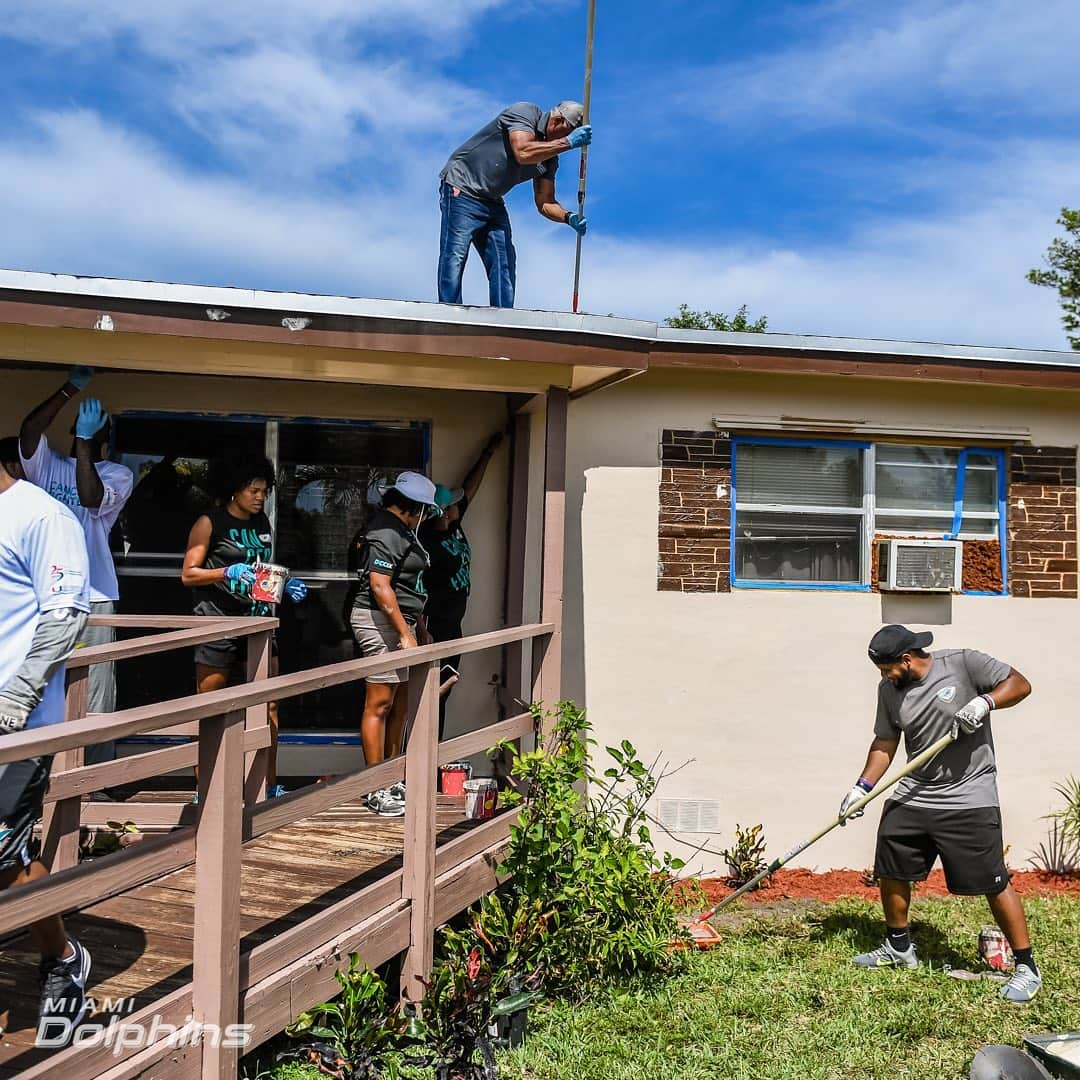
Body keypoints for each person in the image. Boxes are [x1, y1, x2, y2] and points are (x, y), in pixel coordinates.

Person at [841, 624, 1040, 1003]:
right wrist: (861, 788)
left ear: (905, 659)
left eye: (886, 669)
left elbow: (1020, 684)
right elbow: (886, 740)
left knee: (992, 880)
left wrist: (986, 702)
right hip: (915, 792)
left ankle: (1027, 966)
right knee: (891, 865)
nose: (883, 678)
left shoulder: (964, 664)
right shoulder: (889, 691)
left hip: (969, 794)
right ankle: (899, 947)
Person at [0, 437, 94, 1044]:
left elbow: (66, 615)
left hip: (20, 725)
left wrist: (15, 699)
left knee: (0, 854)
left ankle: (62, 957)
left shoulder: (41, 515)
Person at [19, 366, 133, 770]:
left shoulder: (118, 474)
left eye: (96, 431)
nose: (87, 433)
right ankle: (40, 781)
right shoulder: (47, 467)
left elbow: (89, 497)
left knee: (96, 696)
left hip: (95, 600)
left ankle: (92, 782)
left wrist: (85, 443)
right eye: (84, 429)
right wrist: (69, 389)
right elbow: (30, 431)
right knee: (42, 691)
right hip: (42, 603)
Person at [181, 457, 307, 799]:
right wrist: (225, 572)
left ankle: (266, 784)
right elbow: (188, 574)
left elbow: (260, 570)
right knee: (210, 708)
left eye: (264, 491)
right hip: (217, 624)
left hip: (259, 623)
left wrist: (285, 583)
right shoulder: (210, 522)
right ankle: (205, 787)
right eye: (254, 490)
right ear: (234, 489)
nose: (259, 498)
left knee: (268, 706)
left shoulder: (262, 521)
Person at [438, 101, 592, 308]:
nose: (569, 138)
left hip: (492, 200)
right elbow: (522, 152)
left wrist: (568, 216)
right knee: (455, 255)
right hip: (462, 186)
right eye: (570, 130)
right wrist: (568, 142)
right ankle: (449, 311)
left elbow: (545, 202)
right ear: (557, 121)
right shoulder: (525, 113)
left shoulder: (549, 158)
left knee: (503, 261)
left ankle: (502, 317)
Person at [348, 471, 439, 816]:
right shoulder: (385, 530)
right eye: (425, 510)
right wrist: (404, 633)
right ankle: (375, 787)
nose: (426, 516)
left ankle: (392, 774)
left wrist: (417, 628)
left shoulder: (399, 529)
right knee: (380, 702)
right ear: (414, 508)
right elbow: (381, 586)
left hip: (400, 623)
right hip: (378, 621)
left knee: (399, 701)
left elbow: (407, 587)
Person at [421, 433, 503, 736]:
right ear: (440, 512)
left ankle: (432, 756)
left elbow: (470, 488)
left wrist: (487, 453)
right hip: (434, 626)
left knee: (445, 689)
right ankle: (418, 762)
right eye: (452, 505)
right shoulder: (427, 541)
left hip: (454, 623)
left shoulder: (454, 526)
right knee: (431, 694)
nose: (459, 506)